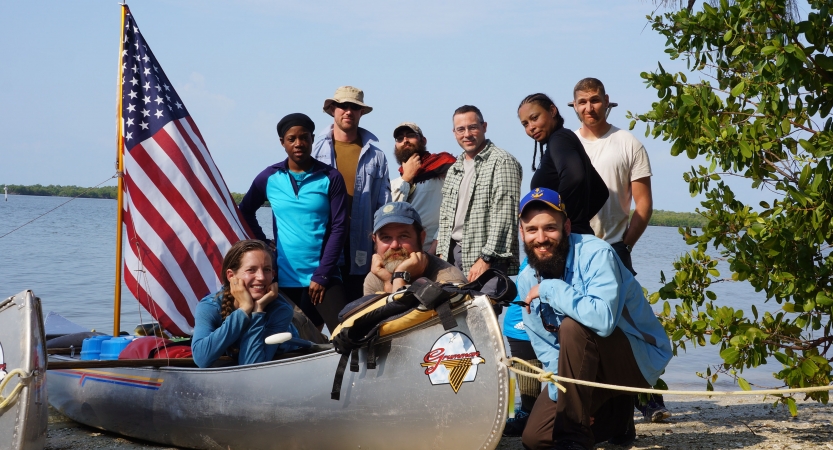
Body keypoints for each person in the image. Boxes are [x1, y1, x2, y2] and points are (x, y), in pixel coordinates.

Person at [515, 188, 672, 450]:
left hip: (636, 358)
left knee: (573, 328)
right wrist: (570, 403)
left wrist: (549, 289)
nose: (541, 238)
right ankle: (617, 418)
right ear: (522, 233)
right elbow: (548, 350)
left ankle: (574, 441)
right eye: (531, 230)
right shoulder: (526, 280)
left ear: (566, 227)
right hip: (584, 369)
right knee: (536, 438)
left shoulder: (598, 254)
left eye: (550, 228)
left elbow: (603, 320)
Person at [571, 77, 666, 422]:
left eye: (595, 100)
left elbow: (643, 206)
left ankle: (650, 395)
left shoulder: (627, 143)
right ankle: (599, 403)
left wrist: (625, 245)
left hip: (613, 247)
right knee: (582, 323)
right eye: (582, 102)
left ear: (607, 101)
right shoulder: (567, 145)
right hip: (575, 250)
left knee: (630, 323)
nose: (589, 108)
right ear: (574, 106)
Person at [239, 113, 349, 332]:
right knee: (292, 341)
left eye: (304, 137)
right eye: (292, 139)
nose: (299, 143)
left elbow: (340, 227)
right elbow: (245, 211)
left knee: (346, 334)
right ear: (283, 143)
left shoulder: (330, 177)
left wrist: (323, 274)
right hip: (284, 277)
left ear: (312, 139)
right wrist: (263, 242)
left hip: (323, 276)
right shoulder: (269, 177)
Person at [312, 86, 391, 302]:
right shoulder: (314, 151)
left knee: (358, 307)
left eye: (354, 107)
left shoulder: (377, 156)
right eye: (343, 106)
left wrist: (381, 247)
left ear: (361, 112)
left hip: (361, 246)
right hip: (322, 245)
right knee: (317, 309)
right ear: (332, 110)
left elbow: (384, 205)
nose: (348, 111)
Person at [435, 105, 522, 283]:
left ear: (484, 127)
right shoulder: (454, 169)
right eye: (461, 129)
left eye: (472, 127)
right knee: (452, 311)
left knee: (482, 309)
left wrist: (486, 259)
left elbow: (505, 216)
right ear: (454, 133)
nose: (467, 134)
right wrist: (441, 254)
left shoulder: (502, 162)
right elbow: (446, 217)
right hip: (451, 256)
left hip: (485, 256)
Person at [191, 239, 298, 368]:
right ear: (231, 276)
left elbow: (252, 366)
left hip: (297, 335)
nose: (261, 277)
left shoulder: (281, 309)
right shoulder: (210, 306)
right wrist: (244, 310)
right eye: (251, 270)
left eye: (267, 270)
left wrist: (258, 311)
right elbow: (201, 359)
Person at [517, 93, 608, 235]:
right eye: (525, 124)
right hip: (578, 236)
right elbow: (601, 192)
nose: (531, 127)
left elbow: (574, 176)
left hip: (566, 241)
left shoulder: (559, 139)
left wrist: (556, 221)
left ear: (552, 111)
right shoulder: (561, 139)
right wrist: (576, 220)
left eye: (535, 118)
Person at [364, 202, 466, 295]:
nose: (394, 245)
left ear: (421, 238)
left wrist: (400, 277)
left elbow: (401, 314)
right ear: (375, 241)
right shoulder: (377, 276)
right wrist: (388, 281)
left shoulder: (449, 281)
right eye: (386, 237)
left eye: (403, 236)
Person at [390, 122, 456, 254]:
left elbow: (455, 208)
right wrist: (407, 177)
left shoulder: (442, 167)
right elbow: (393, 213)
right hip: (403, 252)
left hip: (439, 251)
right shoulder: (395, 184)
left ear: (423, 140)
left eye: (410, 135)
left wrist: (437, 244)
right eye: (400, 138)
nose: (405, 140)